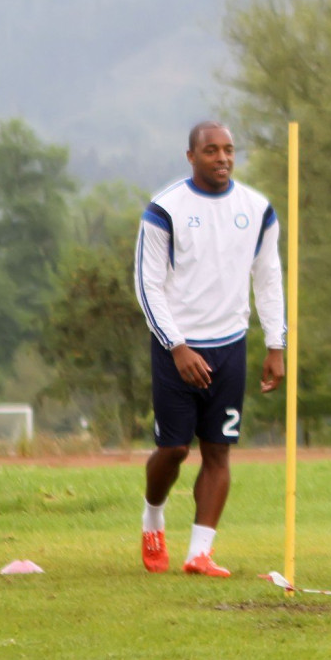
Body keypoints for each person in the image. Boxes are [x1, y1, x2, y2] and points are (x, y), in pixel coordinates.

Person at [134, 121, 286, 577]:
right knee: (175, 449)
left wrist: (276, 343)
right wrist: (177, 346)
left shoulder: (257, 209)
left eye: (229, 150)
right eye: (211, 150)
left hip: (230, 348)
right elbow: (148, 286)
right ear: (191, 156)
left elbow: (269, 278)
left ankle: (200, 553)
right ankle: (153, 515)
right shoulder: (165, 209)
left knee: (218, 450)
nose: (222, 158)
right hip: (176, 348)